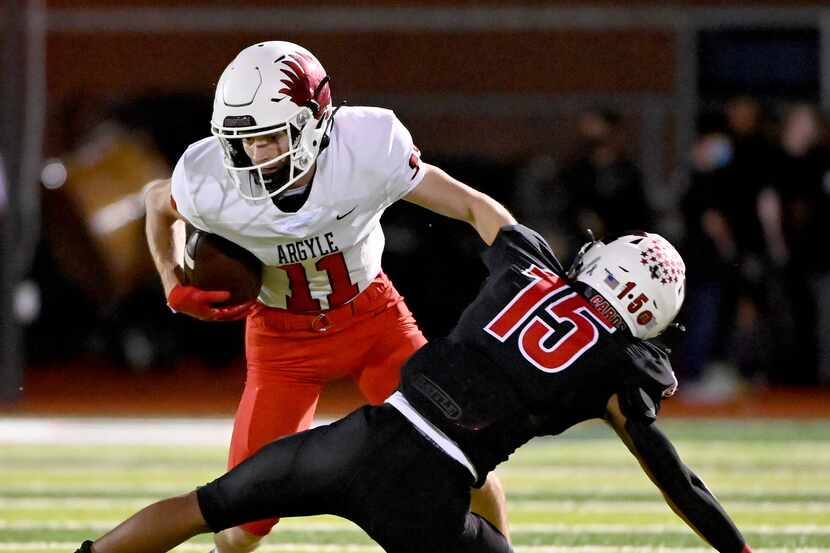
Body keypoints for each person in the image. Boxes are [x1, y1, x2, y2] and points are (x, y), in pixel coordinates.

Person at [75, 223, 755, 553]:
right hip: (428, 492)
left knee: (203, 505)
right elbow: (680, 483)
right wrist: (742, 551)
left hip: (357, 436)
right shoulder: (618, 369)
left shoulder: (528, 268)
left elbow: (494, 224)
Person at [143, 41, 511, 552]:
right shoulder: (209, 179)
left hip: (375, 321)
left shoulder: (366, 146)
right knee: (243, 519)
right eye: (242, 140)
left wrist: (527, 263)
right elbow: (156, 205)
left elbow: (471, 206)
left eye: (269, 137)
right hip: (282, 342)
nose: (254, 154)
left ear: (314, 120)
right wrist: (172, 281)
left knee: (464, 458)